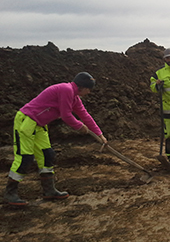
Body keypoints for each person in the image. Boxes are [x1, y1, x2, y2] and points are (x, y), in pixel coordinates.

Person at [3, 72, 107, 206]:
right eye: (89, 89)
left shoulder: (74, 98)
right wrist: (79, 127)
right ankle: (10, 193)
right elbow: (66, 115)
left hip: (39, 125)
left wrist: (100, 135)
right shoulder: (66, 89)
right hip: (26, 121)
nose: (89, 92)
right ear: (82, 86)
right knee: (25, 157)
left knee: (48, 155)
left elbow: (85, 115)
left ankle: (49, 191)